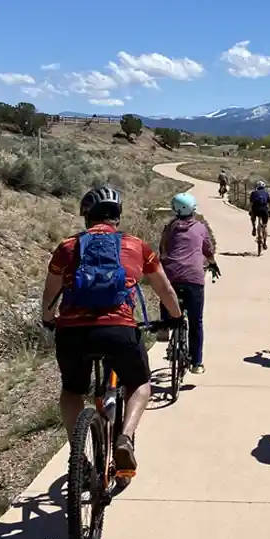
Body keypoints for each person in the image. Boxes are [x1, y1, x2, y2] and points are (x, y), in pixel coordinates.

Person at [42, 185, 183, 475]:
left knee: (71, 392)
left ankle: (78, 454)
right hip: (119, 329)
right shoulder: (136, 246)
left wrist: (47, 318)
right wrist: (176, 317)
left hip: (73, 333)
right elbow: (165, 289)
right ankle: (125, 437)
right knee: (140, 384)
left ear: (87, 217)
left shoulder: (67, 247)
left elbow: (50, 292)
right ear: (117, 216)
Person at [157, 192, 220, 374]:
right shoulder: (200, 228)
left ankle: (164, 325)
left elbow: (163, 249)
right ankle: (196, 363)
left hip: (172, 275)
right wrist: (213, 264)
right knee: (196, 321)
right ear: (193, 209)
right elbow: (208, 250)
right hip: (194, 278)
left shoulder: (169, 227)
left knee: (166, 293)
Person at [248, 180, 270, 245]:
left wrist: (250, 211)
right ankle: (264, 243)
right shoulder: (266, 193)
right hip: (264, 211)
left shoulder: (253, 193)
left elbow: (251, 204)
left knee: (253, 216)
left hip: (256, 210)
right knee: (265, 226)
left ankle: (253, 227)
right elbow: (269, 204)